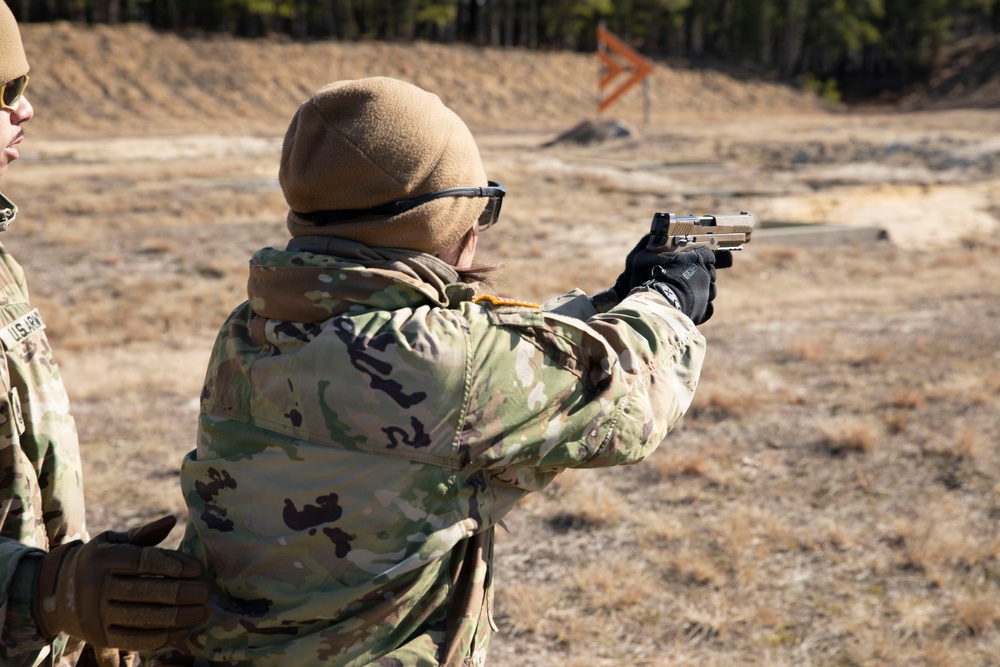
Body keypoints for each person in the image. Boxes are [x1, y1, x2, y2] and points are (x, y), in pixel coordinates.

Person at [159, 76, 726, 667]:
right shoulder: (447, 365)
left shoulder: (252, 326)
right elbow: (621, 399)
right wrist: (668, 299)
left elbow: (484, 363)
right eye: (479, 207)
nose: (479, 229)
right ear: (437, 221)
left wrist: (611, 301)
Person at [0, 5, 210, 666]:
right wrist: (45, 590)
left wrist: (77, 591)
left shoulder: (3, 270)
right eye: (5, 91)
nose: (27, 109)